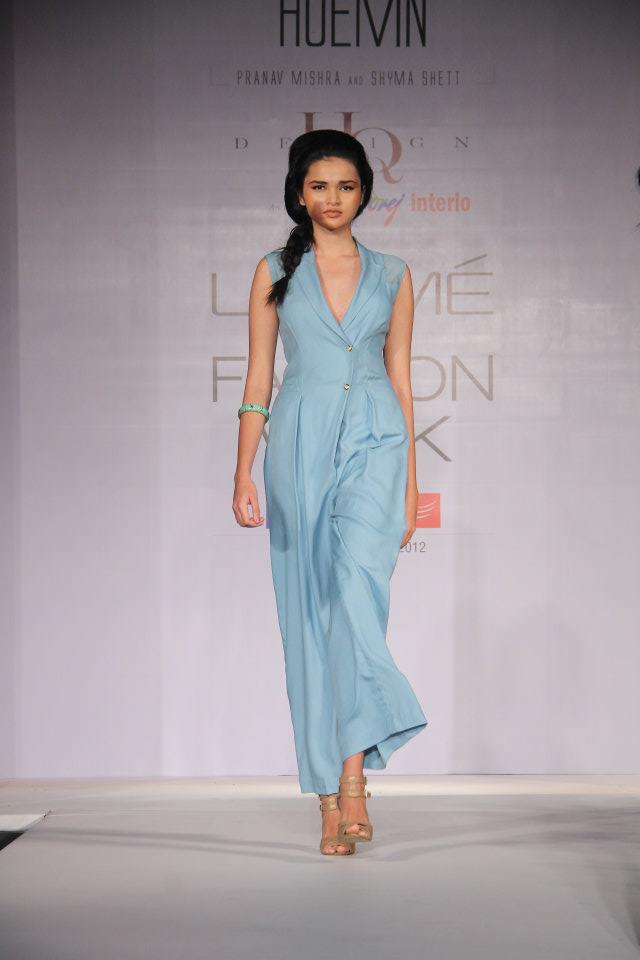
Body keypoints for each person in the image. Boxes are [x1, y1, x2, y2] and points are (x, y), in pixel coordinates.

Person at [232, 129, 428, 856]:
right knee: (309, 616)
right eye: (319, 186)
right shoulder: (274, 271)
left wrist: (412, 484)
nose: (333, 198)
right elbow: (259, 378)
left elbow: (402, 378)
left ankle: (354, 781)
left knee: (354, 601)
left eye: (346, 186)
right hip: (299, 444)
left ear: (364, 192)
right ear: (299, 194)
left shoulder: (394, 274)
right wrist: (242, 468)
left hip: (377, 440)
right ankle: (330, 794)